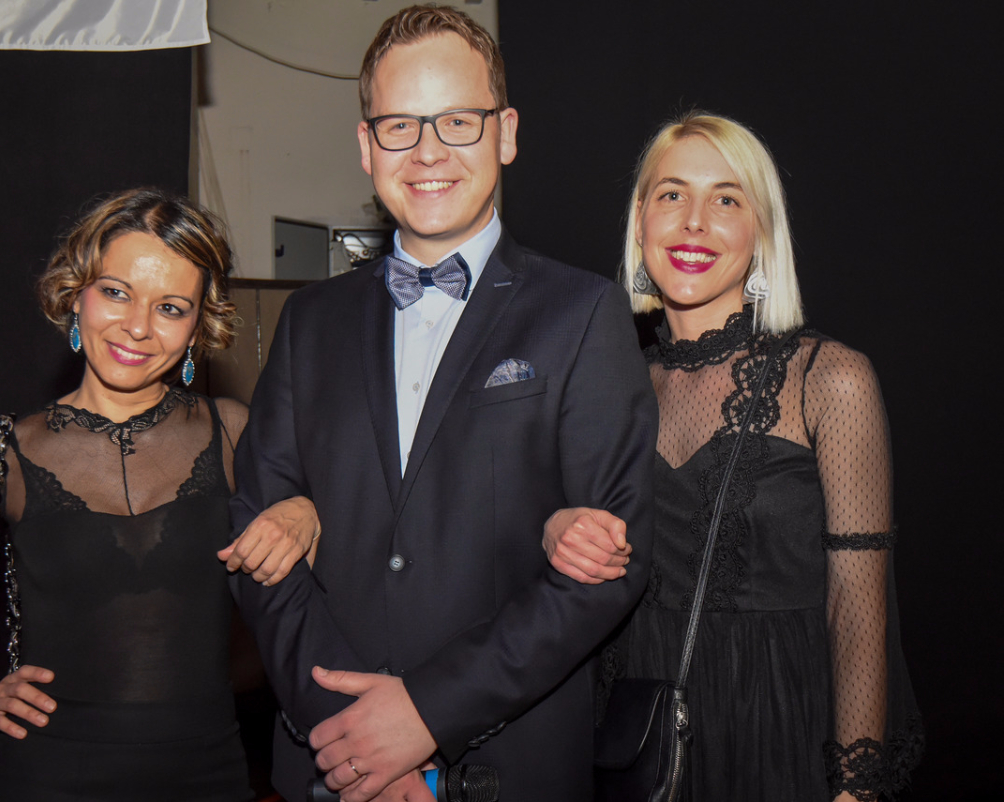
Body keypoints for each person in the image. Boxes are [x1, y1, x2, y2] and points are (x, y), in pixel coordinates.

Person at [227, 6, 658, 802]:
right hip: (328, 767)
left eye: (458, 120)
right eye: (400, 125)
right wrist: (353, 738)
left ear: (506, 134)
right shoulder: (307, 322)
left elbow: (608, 567)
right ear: (366, 147)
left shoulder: (583, 314)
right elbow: (259, 543)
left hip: (507, 768)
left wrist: (426, 713)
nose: (428, 151)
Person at [0, 188, 323, 802]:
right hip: (42, 778)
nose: (138, 326)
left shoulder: (235, 433)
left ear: (198, 324)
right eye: (117, 292)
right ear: (77, 293)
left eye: (170, 307)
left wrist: (306, 511)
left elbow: (332, 573)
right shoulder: (4, 454)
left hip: (209, 776)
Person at [543, 112, 924, 801]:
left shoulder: (829, 380)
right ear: (640, 222)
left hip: (779, 732)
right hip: (639, 740)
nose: (694, 221)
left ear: (761, 233)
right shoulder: (614, 386)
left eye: (726, 199)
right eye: (672, 194)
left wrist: (856, 791)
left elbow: (858, 608)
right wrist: (555, 528)